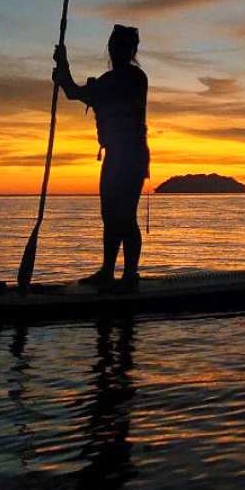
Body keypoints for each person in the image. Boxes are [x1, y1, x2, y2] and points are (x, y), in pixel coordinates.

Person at [54, 25, 150, 292]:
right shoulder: (108, 81)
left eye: (122, 46)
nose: (116, 50)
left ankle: (129, 275)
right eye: (113, 45)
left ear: (132, 51)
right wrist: (63, 67)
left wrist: (68, 78)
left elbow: (85, 91)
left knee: (125, 217)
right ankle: (108, 271)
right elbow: (75, 92)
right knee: (109, 216)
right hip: (114, 156)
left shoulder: (134, 78)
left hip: (131, 157)